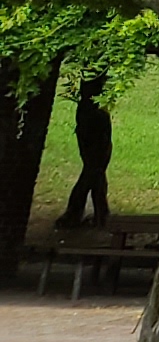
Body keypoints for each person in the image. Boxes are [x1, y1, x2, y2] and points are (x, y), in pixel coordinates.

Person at [56, 74, 112, 228]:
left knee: (94, 177)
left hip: (93, 145)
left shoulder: (87, 107)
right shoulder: (94, 109)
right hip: (96, 146)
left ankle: (96, 214)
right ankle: (91, 214)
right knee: (93, 176)